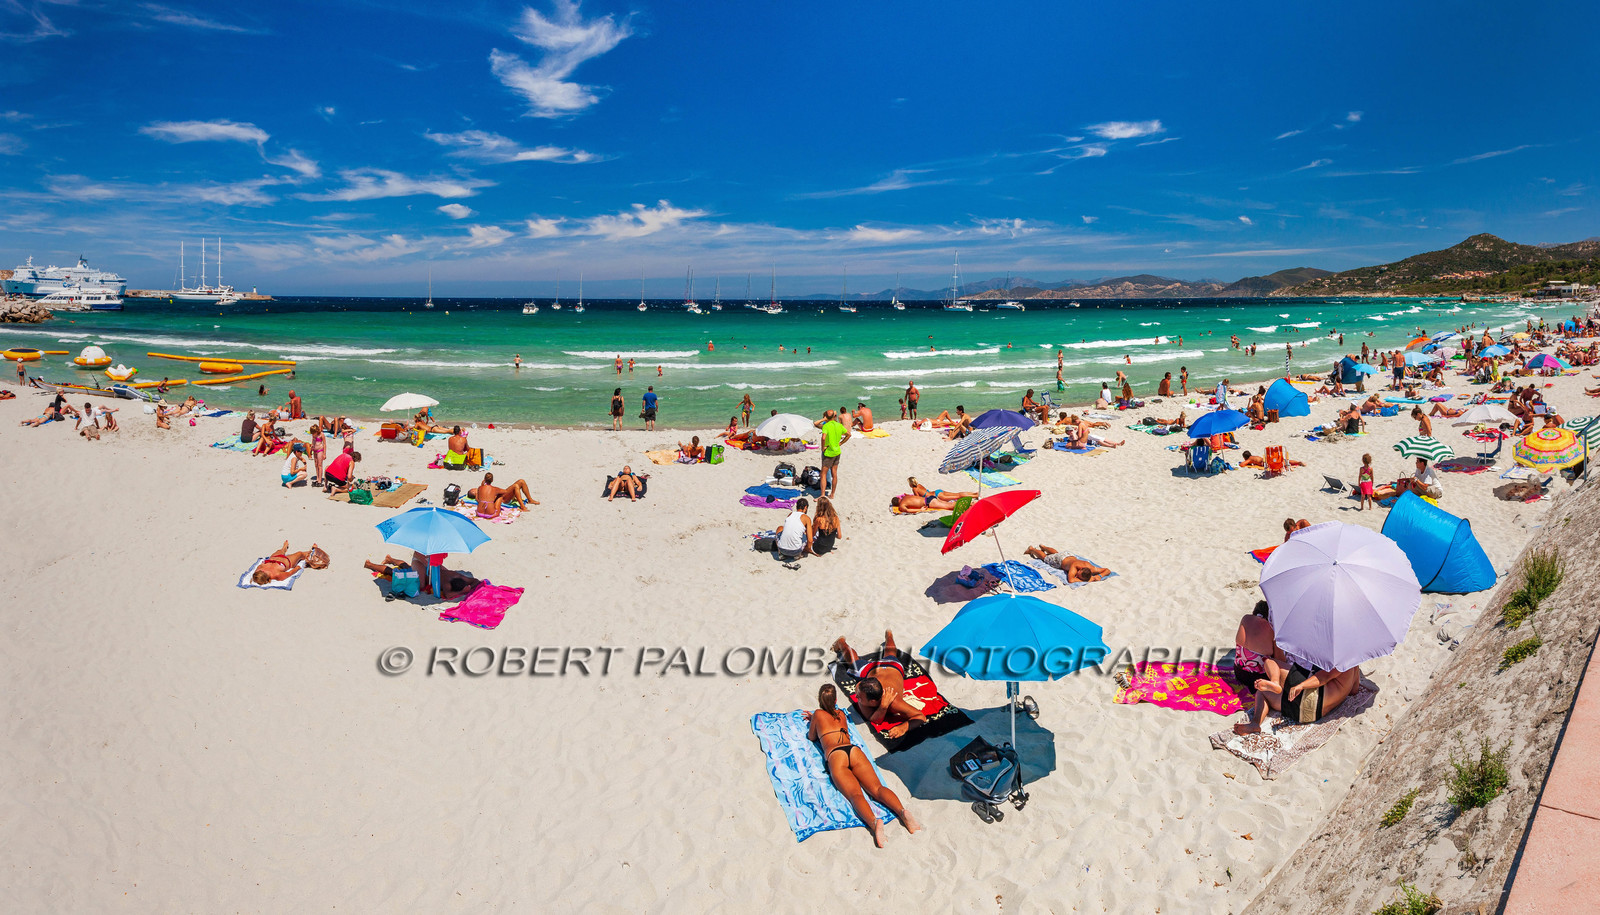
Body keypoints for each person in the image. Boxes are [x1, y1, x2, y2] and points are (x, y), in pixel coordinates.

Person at [803, 684, 919, 848]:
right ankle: (902, 811)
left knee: (855, 795)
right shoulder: (841, 713)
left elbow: (811, 737)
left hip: (836, 755)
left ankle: (874, 823)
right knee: (877, 788)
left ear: (819, 700)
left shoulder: (817, 714)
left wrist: (813, 720)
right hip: (853, 750)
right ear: (836, 700)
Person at [831, 632, 928, 740]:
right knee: (857, 662)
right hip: (879, 669)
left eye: (859, 697)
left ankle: (889, 635)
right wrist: (883, 706)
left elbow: (920, 717)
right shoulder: (861, 689)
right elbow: (874, 719)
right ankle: (842, 643)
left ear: (872, 701)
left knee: (888, 655)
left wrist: (904, 727)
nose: (856, 697)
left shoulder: (894, 701)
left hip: (893, 667)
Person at [1232, 600, 1285, 695]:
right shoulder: (1272, 630)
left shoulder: (1245, 619)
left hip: (1239, 673)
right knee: (1272, 662)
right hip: (1258, 679)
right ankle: (1274, 681)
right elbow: (1280, 659)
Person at [252, 541, 328, 585]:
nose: (261, 569)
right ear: (265, 574)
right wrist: (297, 568)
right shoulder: (277, 575)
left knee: (279, 551)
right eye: (262, 571)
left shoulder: (258, 570)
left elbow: (257, 573)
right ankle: (313, 551)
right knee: (300, 554)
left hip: (274, 557)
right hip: (287, 561)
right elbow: (290, 573)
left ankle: (284, 548)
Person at [1023, 545, 1110, 582]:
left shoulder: (1091, 568)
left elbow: (1107, 570)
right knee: (1045, 558)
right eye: (1078, 575)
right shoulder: (1074, 567)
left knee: (1056, 553)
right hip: (1060, 560)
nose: (1077, 576)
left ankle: (1044, 547)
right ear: (1080, 570)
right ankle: (1032, 549)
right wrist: (1090, 579)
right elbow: (1071, 580)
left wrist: (1100, 576)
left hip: (1068, 554)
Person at [816, 410, 850, 498]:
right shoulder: (839, 425)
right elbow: (848, 435)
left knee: (823, 473)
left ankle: (823, 495)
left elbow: (823, 438)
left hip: (829, 452)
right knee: (834, 473)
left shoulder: (826, 426)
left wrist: (823, 447)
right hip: (837, 451)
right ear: (834, 417)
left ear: (826, 417)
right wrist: (841, 443)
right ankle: (832, 494)